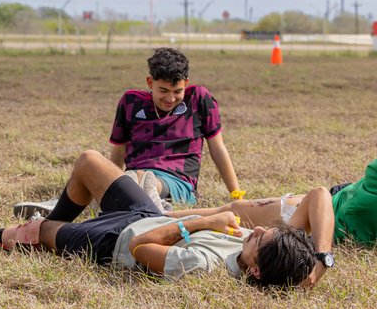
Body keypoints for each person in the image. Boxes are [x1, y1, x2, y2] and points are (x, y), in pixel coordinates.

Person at [0, 151, 317, 288]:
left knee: (39, 232)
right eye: (265, 230)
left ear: (255, 271)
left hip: (114, 240)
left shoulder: (202, 265)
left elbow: (139, 248)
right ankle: (46, 231)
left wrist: (200, 223)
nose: (255, 230)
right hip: (146, 215)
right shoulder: (251, 251)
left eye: (260, 238)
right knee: (89, 161)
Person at [15, 47, 242, 217]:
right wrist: (109, 176)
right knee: (118, 176)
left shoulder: (200, 99)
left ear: (186, 83)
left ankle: (64, 206)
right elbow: (118, 153)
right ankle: (143, 208)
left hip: (177, 183)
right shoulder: (131, 102)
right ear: (150, 82)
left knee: (142, 179)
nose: (170, 98)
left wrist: (236, 194)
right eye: (163, 90)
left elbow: (218, 149)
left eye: (177, 91)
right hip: (133, 176)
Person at [163, 157, 377, 288]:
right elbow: (320, 195)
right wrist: (322, 260)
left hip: (307, 233)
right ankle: (157, 214)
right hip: (323, 210)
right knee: (234, 211)